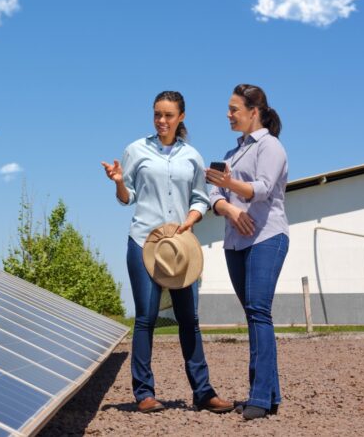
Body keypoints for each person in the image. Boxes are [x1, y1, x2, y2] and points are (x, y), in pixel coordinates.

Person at [102, 91, 233, 414]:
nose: (162, 121)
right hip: (143, 242)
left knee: (189, 319)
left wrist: (188, 222)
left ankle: (203, 392)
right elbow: (127, 197)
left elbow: (200, 199)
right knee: (146, 318)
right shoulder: (136, 150)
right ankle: (144, 393)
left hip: (179, 246)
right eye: (157, 114)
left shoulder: (192, 156)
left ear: (181, 117)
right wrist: (118, 181)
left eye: (168, 115)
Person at [206, 83, 289, 420]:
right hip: (235, 242)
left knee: (258, 312)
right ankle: (269, 395)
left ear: (254, 111)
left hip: (266, 237)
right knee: (253, 316)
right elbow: (212, 194)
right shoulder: (232, 153)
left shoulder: (271, 147)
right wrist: (228, 207)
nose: (228, 114)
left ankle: (259, 396)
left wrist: (228, 186)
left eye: (234, 108)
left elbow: (263, 189)